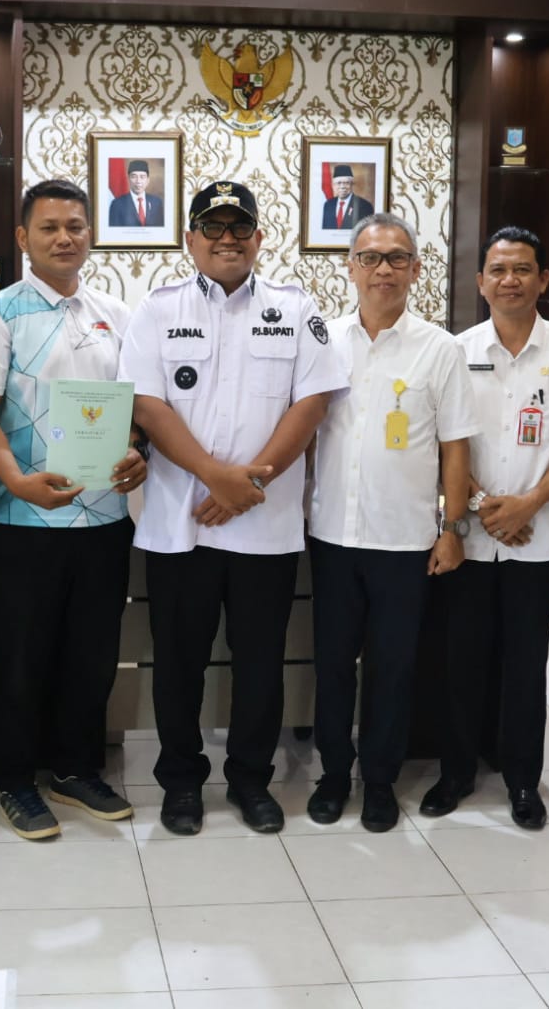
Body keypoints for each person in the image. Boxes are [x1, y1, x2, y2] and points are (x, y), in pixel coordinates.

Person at [119, 180, 348, 835]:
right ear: (190, 239)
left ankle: (250, 780)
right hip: (178, 525)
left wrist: (250, 481)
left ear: (258, 238)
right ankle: (181, 782)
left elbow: (312, 402)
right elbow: (147, 405)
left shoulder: (294, 308)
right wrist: (214, 477)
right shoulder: (156, 310)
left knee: (259, 664)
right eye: (213, 227)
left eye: (239, 227)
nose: (227, 239)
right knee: (178, 665)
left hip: (264, 525)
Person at [0, 180, 146, 839]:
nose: (64, 238)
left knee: (91, 655)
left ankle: (74, 769)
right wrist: (16, 480)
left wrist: (136, 452)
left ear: (90, 234)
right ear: (23, 238)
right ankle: (15, 779)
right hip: (23, 521)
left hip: (103, 520)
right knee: (19, 656)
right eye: (49, 227)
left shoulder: (118, 314)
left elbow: (134, 409)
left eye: (75, 226)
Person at [307, 212, 478, 833]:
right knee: (331, 665)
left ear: (415, 269)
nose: (384, 269)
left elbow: (456, 448)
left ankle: (378, 781)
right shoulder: (322, 340)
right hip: (331, 534)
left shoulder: (441, 349)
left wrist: (453, 529)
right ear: (350, 268)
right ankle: (333, 775)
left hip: (404, 540)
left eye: (397, 258)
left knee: (392, 668)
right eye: (371, 257)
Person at [435, 227, 549, 830]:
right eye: (499, 270)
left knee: (526, 665)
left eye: (523, 269)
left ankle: (523, 781)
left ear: (544, 280)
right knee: (462, 661)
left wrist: (527, 504)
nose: (510, 280)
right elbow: (445, 440)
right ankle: (456, 773)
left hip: (540, 537)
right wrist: (486, 505)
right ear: (480, 281)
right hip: (469, 534)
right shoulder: (454, 351)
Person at [108, 160, 165, 227]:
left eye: (142, 177)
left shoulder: (156, 202)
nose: (138, 181)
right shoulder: (117, 204)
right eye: (134, 177)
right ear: (128, 179)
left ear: (148, 180)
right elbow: (114, 231)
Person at [320, 166, 371, 232]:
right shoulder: (328, 205)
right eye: (339, 183)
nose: (342, 187)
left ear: (352, 185)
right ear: (333, 185)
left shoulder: (364, 206)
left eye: (346, 183)